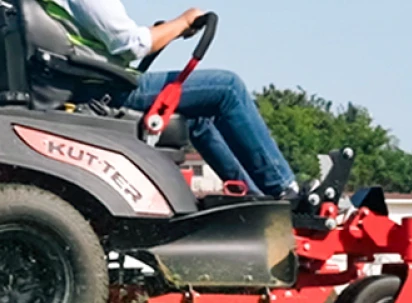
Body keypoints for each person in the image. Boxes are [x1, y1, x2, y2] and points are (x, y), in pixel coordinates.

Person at [48, 0, 301, 199]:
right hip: (107, 89)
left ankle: (252, 196)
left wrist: (166, 30)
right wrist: (181, 22)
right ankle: (284, 189)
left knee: (198, 115)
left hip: (88, 83)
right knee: (227, 87)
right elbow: (131, 45)